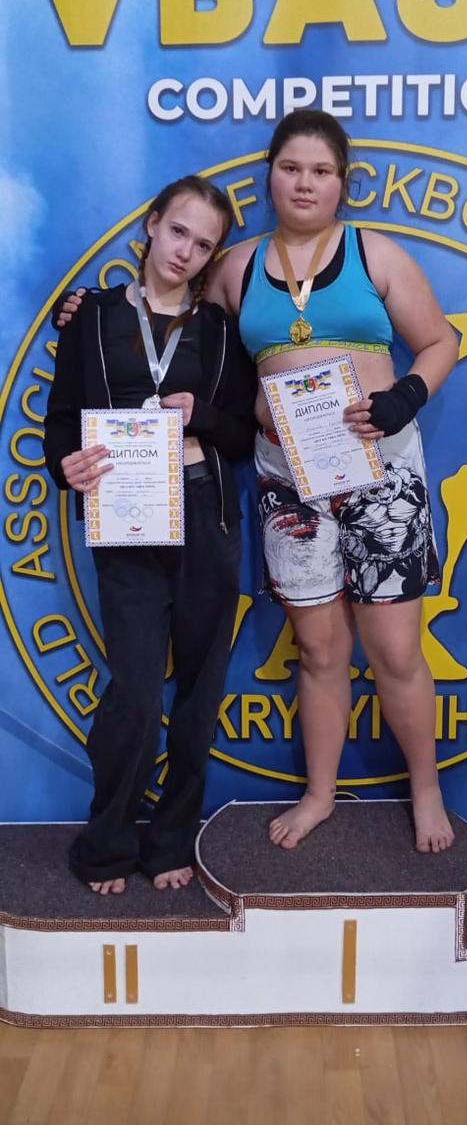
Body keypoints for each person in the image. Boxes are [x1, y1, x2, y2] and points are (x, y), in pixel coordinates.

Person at [57, 110, 459, 857]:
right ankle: (319, 794)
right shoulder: (234, 268)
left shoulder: (374, 252)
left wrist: (405, 395)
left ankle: (427, 789)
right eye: (290, 168)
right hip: (286, 480)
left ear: (342, 183)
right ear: (270, 176)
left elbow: (440, 340)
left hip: (380, 471)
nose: (304, 183)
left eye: (321, 171)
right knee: (318, 648)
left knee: (396, 649)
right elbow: (171, 327)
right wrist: (83, 314)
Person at [45, 175, 256, 895]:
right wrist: (65, 465)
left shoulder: (221, 332)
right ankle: (106, 842)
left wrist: (202, 416)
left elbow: (242, 433)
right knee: (136, 693)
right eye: (178, 231)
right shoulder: (92, 315)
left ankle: (170, 840)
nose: (185, 251)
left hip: (205, 514)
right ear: (151, 224)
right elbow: (61, 420)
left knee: (200, 689)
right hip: (127, 515)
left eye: (203, 244)